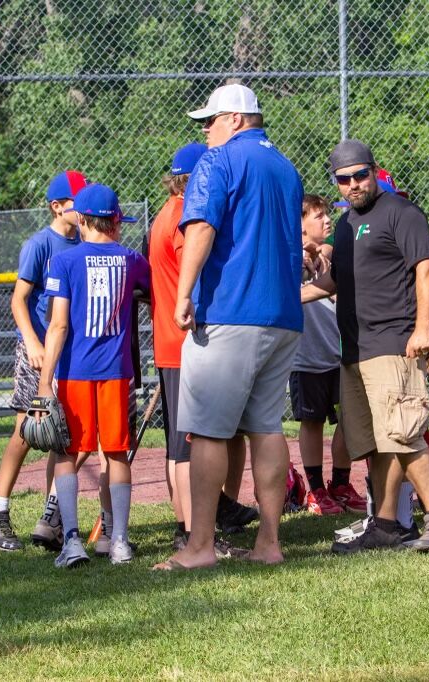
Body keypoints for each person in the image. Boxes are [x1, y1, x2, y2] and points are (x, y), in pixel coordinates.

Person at [157, 83, 304, 571]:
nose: (207, 129)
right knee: (266, 426)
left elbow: (200, 228)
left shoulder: (216, 162)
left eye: (212, 120)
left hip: (229, 313)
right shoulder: (286, 167)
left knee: (208, 432)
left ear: (236, 119)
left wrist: (183, 294)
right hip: (283, 316)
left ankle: (199, 547)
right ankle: (268, 542)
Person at [301, 139, 429, 553]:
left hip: (394, 341)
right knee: (375, 442)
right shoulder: (346, 224)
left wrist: (423, 328)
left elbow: (426, 268)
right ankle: (386, 525)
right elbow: (336, 280)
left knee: (404, 434)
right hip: (354, 347)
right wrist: (291, 296)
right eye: (344, 179)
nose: (353, 184)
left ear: (374, 170)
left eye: (360, 175)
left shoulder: (402, 213)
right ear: (335, 182)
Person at [148, 142, 257, 555]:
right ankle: (191, 529)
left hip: (171, 340)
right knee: (186, 445)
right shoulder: (181, 217)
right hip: (184, 341)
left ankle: (205, 520)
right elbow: (188, 275)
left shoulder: (164, 213)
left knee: (189, 440)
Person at [38, 183, 150, 568]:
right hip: (117, 372)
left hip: (75, 372)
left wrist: (43, 382)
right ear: (115, 221)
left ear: (82, 220)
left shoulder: (65, 262)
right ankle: (118, 540)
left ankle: (72, 541)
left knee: (68, 452)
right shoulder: (132, 260)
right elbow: (155, 296)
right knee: (116, 453)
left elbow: (58, 326)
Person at [0, 170, 88, 553]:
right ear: (58, 207)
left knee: (64, 436)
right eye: (76, 200)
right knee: (27, 432)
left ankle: (51, 518)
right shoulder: (40, 244)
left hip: (69, 353)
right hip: (38, 352)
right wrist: (31, 342)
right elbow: (18, 300)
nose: (82, 205)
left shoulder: (84, 242)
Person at [294, 194, 367, 515]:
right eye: (318, 216)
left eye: (327, 215)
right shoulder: (287, 256)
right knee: (311, 422)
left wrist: (319, 251)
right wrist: (302, 254)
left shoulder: (331, 253)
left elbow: (330, 250)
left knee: (349, 419)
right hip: (305, 358)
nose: (326, 221)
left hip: (338, 355)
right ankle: (315, 490)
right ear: (300, 224)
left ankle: (340, 483)